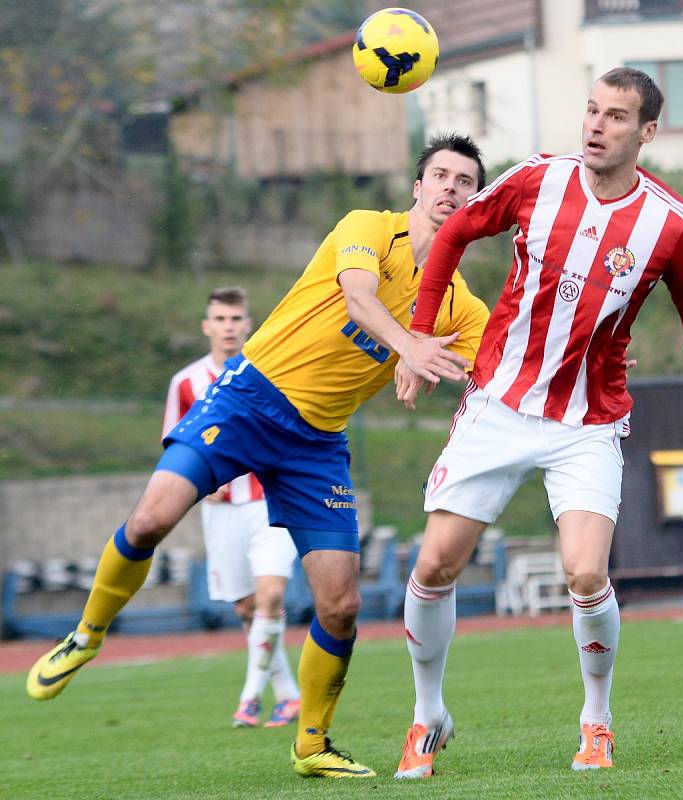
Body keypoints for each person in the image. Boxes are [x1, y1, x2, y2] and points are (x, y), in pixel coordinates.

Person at [26, 133, 490, 779]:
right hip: (249, 398)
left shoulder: (459, 303)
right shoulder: (366, 227)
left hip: (317, 442)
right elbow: (358, 295)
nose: (449, 187)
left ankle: (311, 743)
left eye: (464, 181)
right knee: (150, 520)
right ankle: (87, 634)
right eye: (439, 175)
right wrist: (410, 347)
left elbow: (501, 359)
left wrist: (583, 364)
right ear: (417, 188)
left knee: (341, 605)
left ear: (478, 202)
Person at [392, 68, 683, 780]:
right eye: (592, 111)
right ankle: (427, 716)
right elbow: (453, 237)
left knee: (585, 570)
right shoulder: (537, 179)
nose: (597, 125)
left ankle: (595, 722)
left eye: (617, 117)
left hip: (587, 421)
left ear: (647, 132)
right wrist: (418, 335)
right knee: (434, 565)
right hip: (498, 405)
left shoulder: (669, 224)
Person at [162, 286, 301, 729]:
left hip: (269, 503)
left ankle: (248, 699)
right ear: (207, 326)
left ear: (248, 324)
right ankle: (289, 695)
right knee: (246, 609)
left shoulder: (273, 371)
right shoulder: (186, 383)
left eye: (236, 319)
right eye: (220, 320)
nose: (228, 327)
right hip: (222, 513)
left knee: (272, 595)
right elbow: (174, 443)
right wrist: (202, 483)